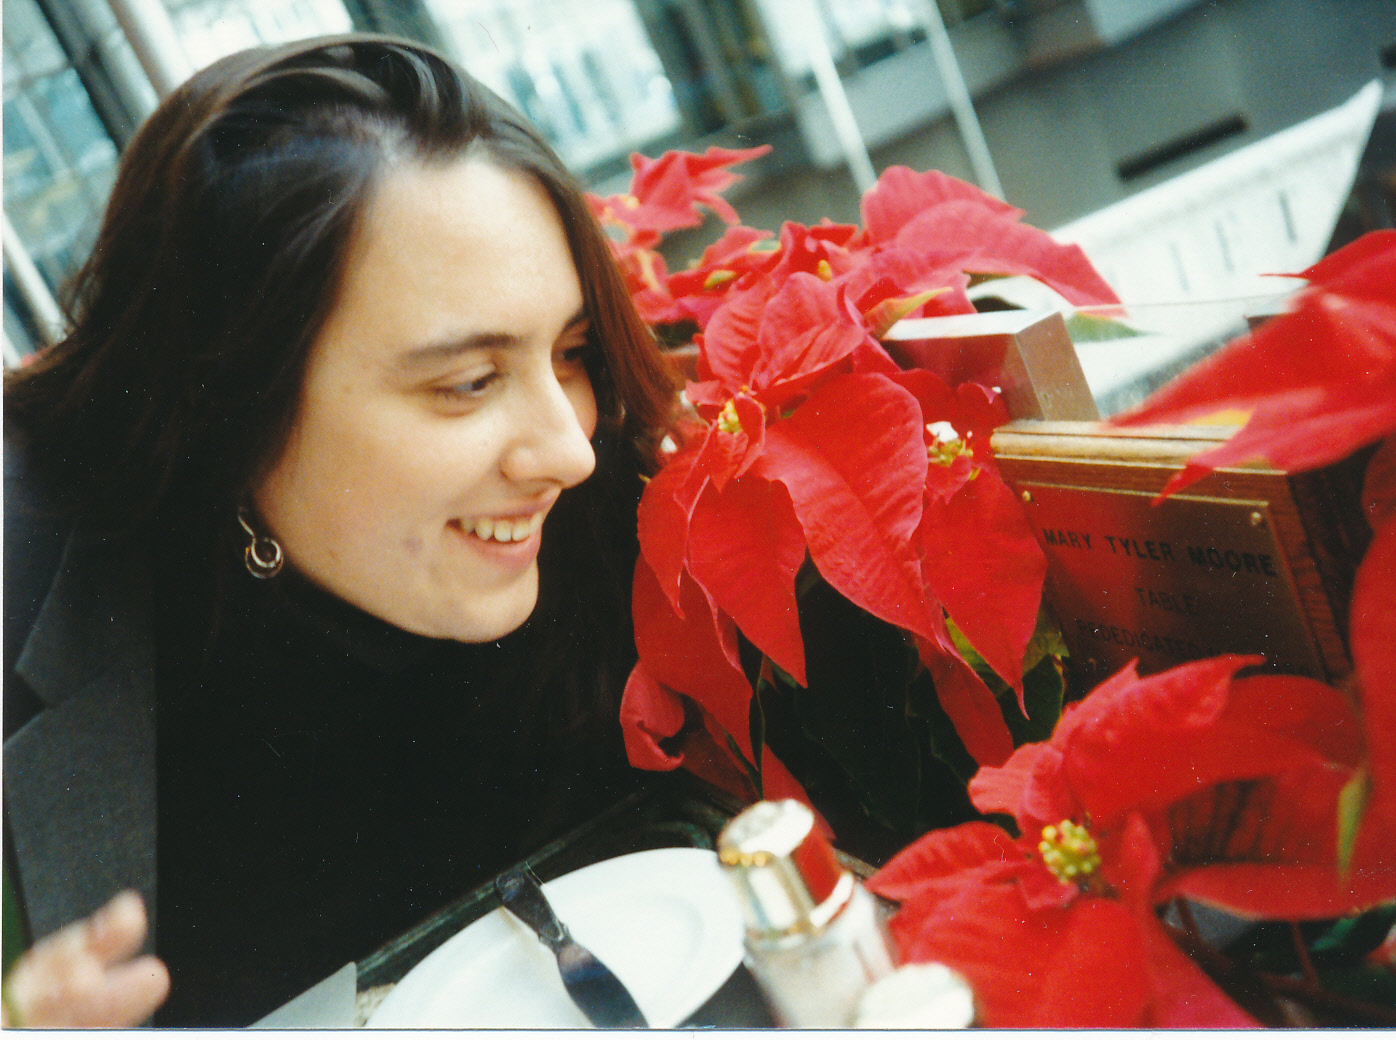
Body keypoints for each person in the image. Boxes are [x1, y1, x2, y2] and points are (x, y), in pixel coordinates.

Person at [3, 33, 676, 1026]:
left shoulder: (621, 497)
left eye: (571, 351)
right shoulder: (34, 601)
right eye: (469, 381)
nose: (568, 451)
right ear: (234, 403)